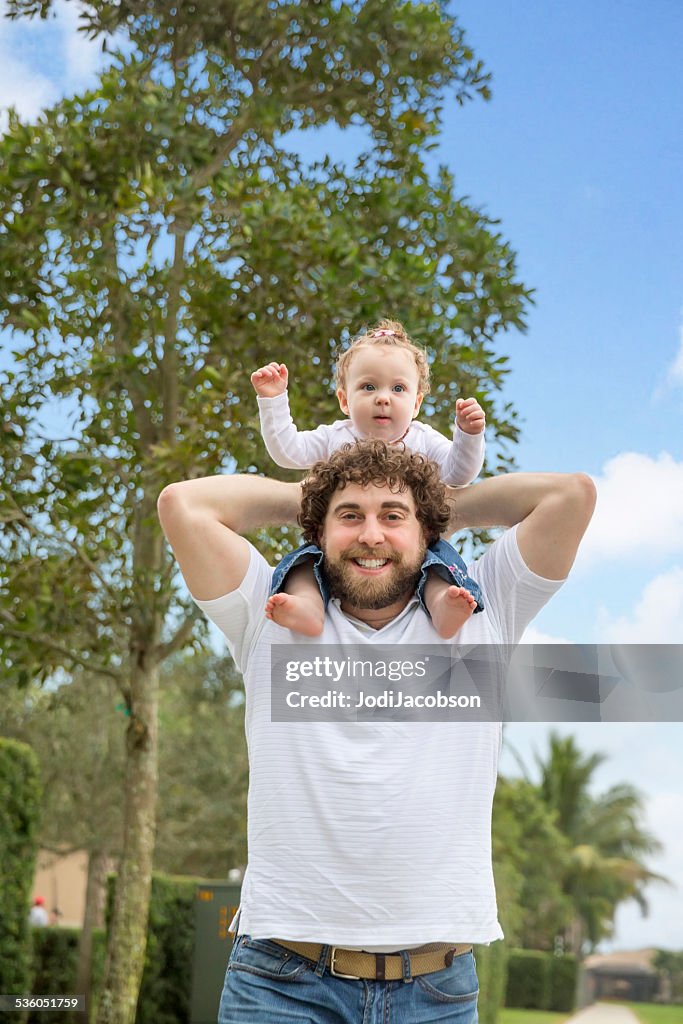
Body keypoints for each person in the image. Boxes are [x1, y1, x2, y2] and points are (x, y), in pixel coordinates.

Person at [157, 440, 596, 1024]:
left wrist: (430, 503)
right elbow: (183, 505)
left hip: (434, 992)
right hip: (281, 985)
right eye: (350, 517)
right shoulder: (271, 613)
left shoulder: (481, 613)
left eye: (394, 517)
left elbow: (571, 496)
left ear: (427, 533)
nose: (370, 535)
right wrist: (315, 499)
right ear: (320, 530)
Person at [251, 319, 486, 639]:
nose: (383, 398)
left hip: (410, 548)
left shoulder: (424, 439)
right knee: (302, 564)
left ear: (416, 403)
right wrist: (273, 401)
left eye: (398, 388)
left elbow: (459, 473)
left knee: (437, 564)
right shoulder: (335, 436)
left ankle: (442, 606)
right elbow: (288, 451)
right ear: (344, 400)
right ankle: (308, 607)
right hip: (339, 548)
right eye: (369, 387)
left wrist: (468, 435)